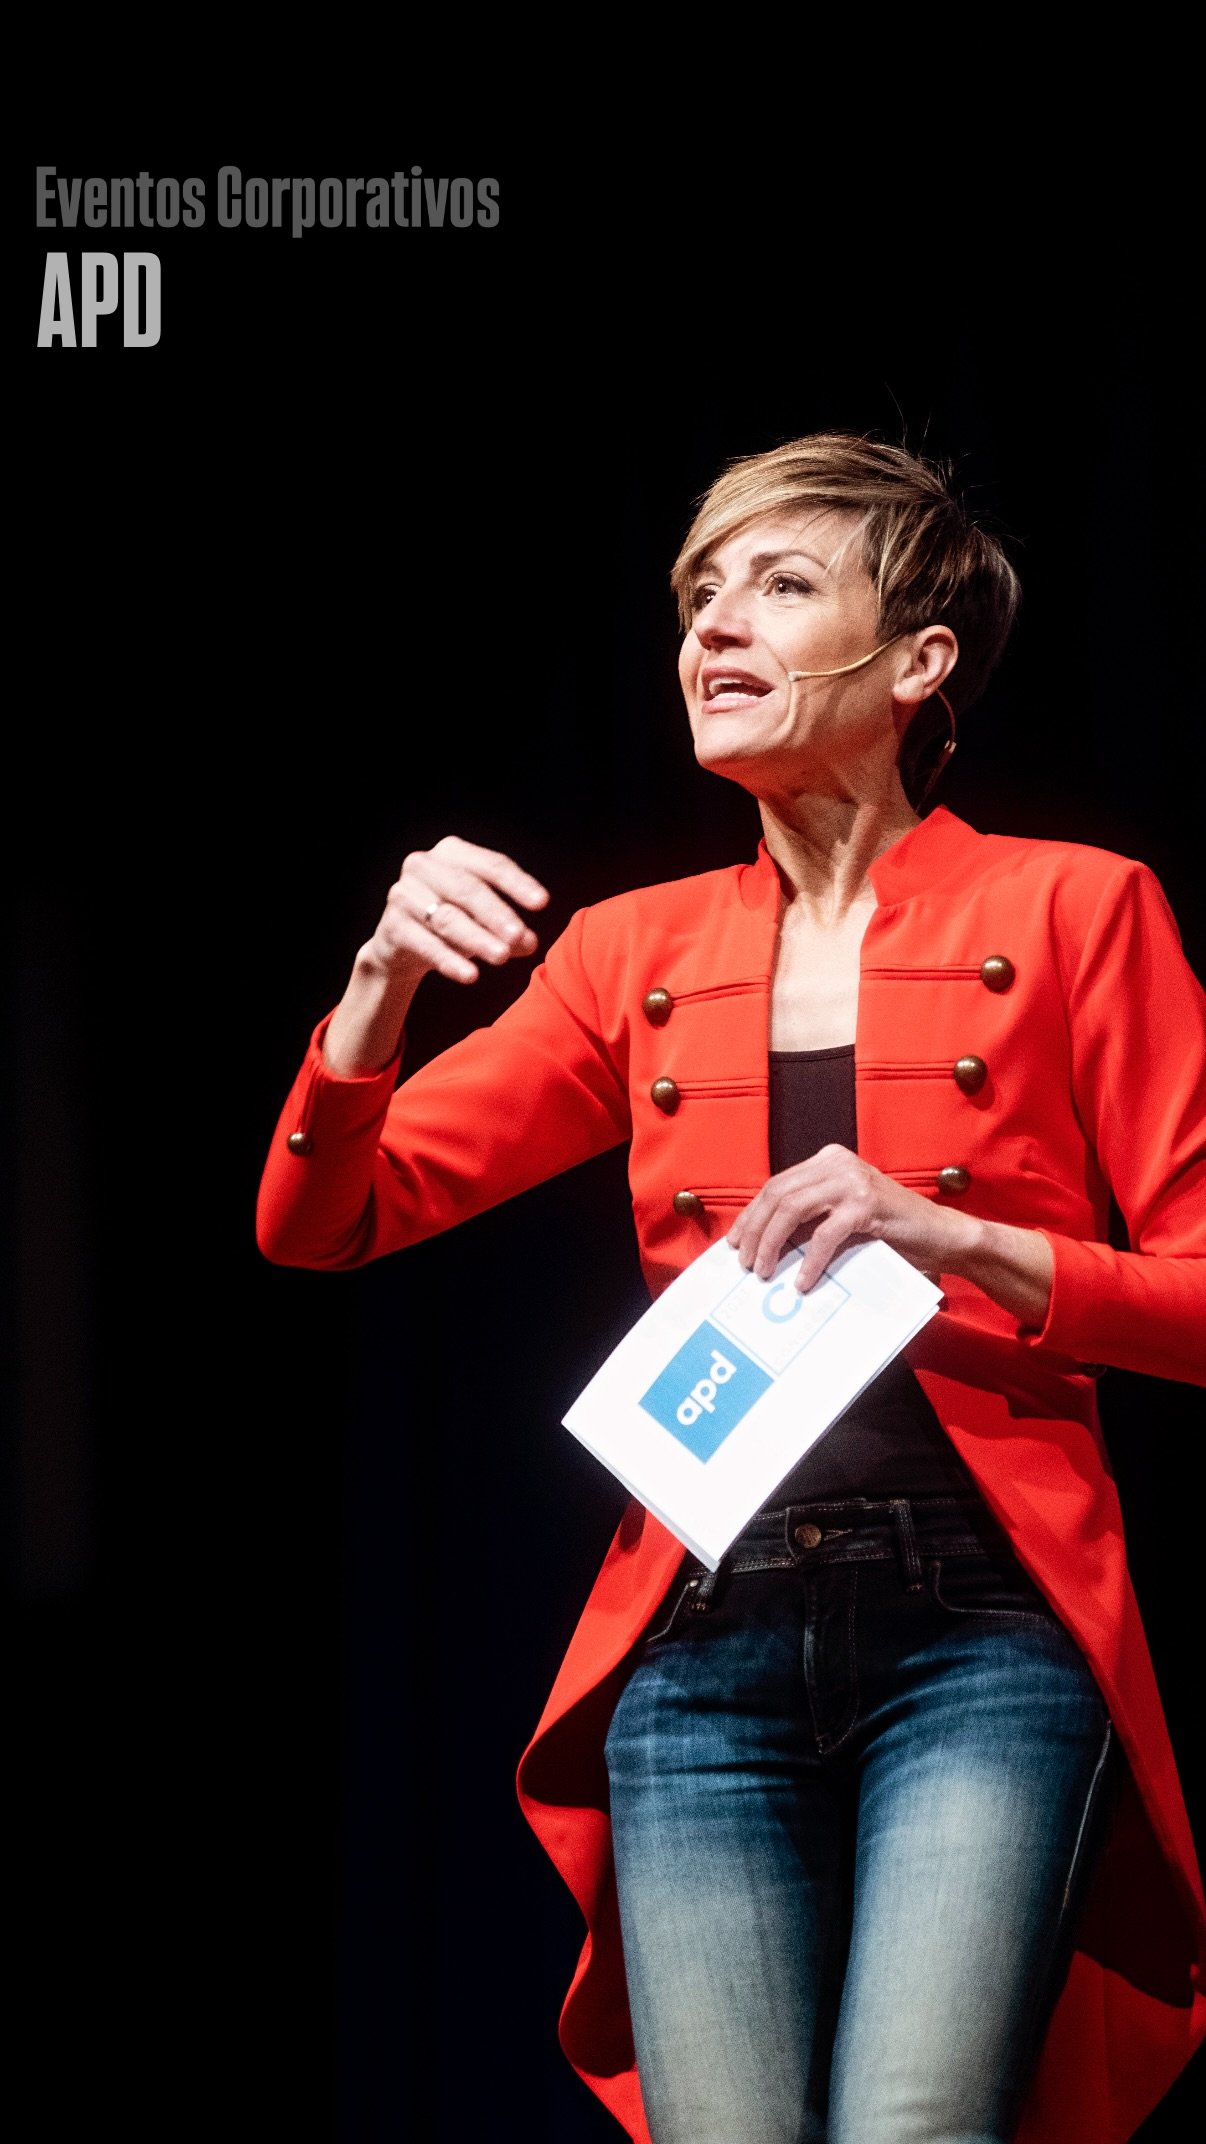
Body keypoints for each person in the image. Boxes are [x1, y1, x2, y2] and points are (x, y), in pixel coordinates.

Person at [256, 433, 1206, 2143]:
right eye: (699, 591)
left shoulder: (1076, 907)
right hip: (705, 1633)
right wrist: (377, 986)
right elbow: (327, 1222)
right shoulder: (633, 950)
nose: (713, 625)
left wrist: (957, 1240)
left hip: (983, 1625)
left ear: (916, 662)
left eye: (779, 584)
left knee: (911, 2127)